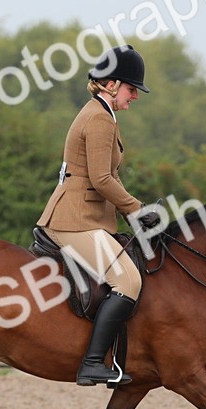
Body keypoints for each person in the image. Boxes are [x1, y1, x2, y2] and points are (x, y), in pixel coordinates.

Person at [37, 44, 161, 386]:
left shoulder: (102, 115)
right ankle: (92, 362)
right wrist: (137, 209)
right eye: (132, 88)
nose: (135, 95)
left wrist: (137, 215)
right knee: (129, 281)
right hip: (73, 220)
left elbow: (110, 178)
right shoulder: (99, 118)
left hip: (88, 217)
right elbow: (101, 179)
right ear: (109, 83)